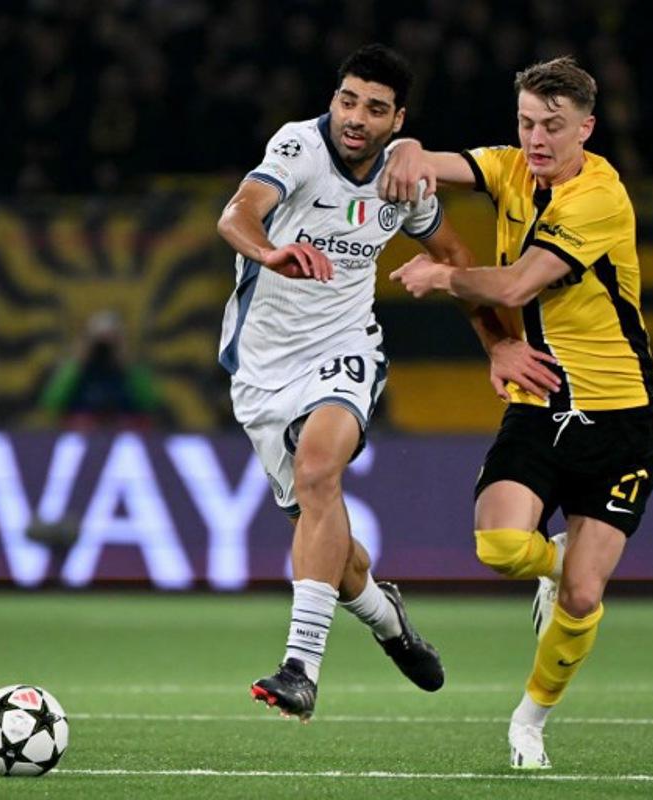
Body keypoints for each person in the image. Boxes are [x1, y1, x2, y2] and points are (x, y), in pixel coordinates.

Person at [216, 43, 529, 722]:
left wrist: (502, 347)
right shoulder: (298, 150)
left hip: (345, 350)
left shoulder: (403, 179)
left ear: (398, 118)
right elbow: (235, 214)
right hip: (263, 369)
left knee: (319, 470)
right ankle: (388, 620)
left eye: (375, 108)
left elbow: (454, 257)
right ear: (334, 99)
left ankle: (300, 669)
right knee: (340, 555)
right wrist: (270, 249)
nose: (357, 117)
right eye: (348, 100)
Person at [382, 55, 653, 768]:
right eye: (527, 122)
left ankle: (529, 722)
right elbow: (441, 164)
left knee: (582, 597)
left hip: (621, 418)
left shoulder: (598, 198)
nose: (537, 138)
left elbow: (514, 284)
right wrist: (408, 150)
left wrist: (443, 274)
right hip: (542, 402)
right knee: (501, 547)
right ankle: (552, 562)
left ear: (586, 129)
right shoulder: (512, 166)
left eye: (554, 126)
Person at [39, 310, 162, 431]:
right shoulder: (77, 369)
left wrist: (127, 363)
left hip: (124, 437)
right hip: (82, 434)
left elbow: (150, 404)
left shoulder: (131, 370)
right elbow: (52, 403)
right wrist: (78, 362)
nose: (104, 348)